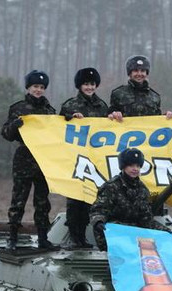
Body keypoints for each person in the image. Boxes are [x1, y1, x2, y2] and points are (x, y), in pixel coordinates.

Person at [1, 69, 59, 251]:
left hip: (43, 160)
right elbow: (6, 134)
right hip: (24, 160)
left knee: (42, 203)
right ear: (28, 87)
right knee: (18, 200)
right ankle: (12, 238)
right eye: (35, 86)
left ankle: (43, 238)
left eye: (41, 87)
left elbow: (56, 135)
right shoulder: (18, 108)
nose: (38, 90)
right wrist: (14, 126)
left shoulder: (50, 111)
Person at [60, 67, 109, 248]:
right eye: (86, 84)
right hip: (75, 159)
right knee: (74, 199)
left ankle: (84, 237)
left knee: (91, 198)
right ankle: (75, 237)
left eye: (92, 84)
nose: (89, 87)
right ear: (79, 86)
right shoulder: (70, 105)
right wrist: (70, 117)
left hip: (95, 160)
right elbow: (58, 125)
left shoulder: (102, 106)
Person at [90, 148, 170, 251]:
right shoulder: (111, 187)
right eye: (131, 165)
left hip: (134, 234)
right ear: (123, 167)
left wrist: (165, 231)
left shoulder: (142, 190)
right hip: (113, 233)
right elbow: (98, 210)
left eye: (138, 166)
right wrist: (99, 222)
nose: (135, 169)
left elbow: (146, 219)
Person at [108, 55, 166, 120]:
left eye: (142, 71)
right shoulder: (118, 94)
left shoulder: (155, 96)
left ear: (146, 73)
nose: (139, 74)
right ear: (130, 73)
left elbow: (158, 119)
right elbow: (109, 116)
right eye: (135, 71)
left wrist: (166, 116)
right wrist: (113, 114)